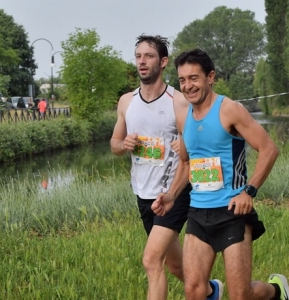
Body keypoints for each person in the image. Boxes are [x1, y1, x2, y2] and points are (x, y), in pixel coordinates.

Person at [152, 48, 289, 300]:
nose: (188, 86)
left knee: (241, 295)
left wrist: (248, 191)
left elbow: (269, 150)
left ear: (210, 77)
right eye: (182, 80)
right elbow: (186, 163)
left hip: (232, 212)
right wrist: (172, 195)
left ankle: (276, 291)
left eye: (194, 78)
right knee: (193, 290)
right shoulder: (185, 118)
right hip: (198, 212)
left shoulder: (230, 109)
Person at [110, 35, 221, 300]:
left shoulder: (179, 101)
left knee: (151, 261)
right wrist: (123, 143)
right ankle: (210, 291)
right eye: (138, 56)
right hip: (143, 192)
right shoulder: (126, 101)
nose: (142, 61)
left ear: (163, 61)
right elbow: (114, 143)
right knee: (174, 265)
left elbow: (200, 145)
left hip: (174, 191)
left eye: (148, 56)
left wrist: (184, 144)